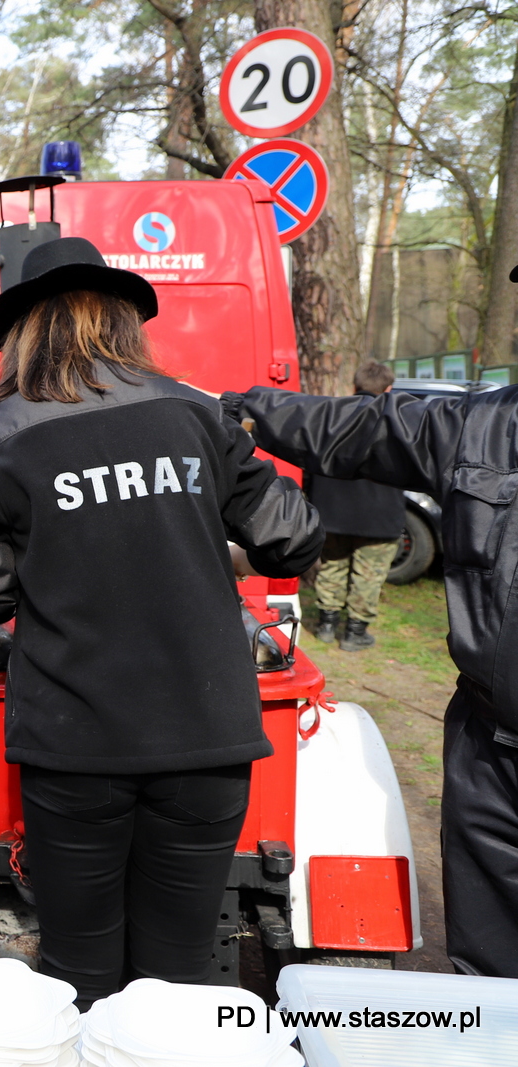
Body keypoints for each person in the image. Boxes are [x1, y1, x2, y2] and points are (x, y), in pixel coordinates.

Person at [0, 237, 322, 1009]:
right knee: (177, 973)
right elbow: (291, 533)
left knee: (79, 971)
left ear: (24, 332)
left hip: (76, 740)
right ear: (123, 321)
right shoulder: (195, 409)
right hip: (206, 731)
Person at [218, 263, 518, 979]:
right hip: (494, 751)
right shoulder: (486, 426)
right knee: (492, 970)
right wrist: (235, 406)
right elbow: (354, 428)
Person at [303, 360, 404, 651]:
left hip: (332, 511)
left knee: (332, 568)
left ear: (354, 387)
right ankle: (354, 632)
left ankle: (326, 625)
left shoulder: (329, 416)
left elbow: (309, 459)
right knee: (368, 575)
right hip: (380, 515)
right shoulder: (399, 421)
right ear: (388, 389)